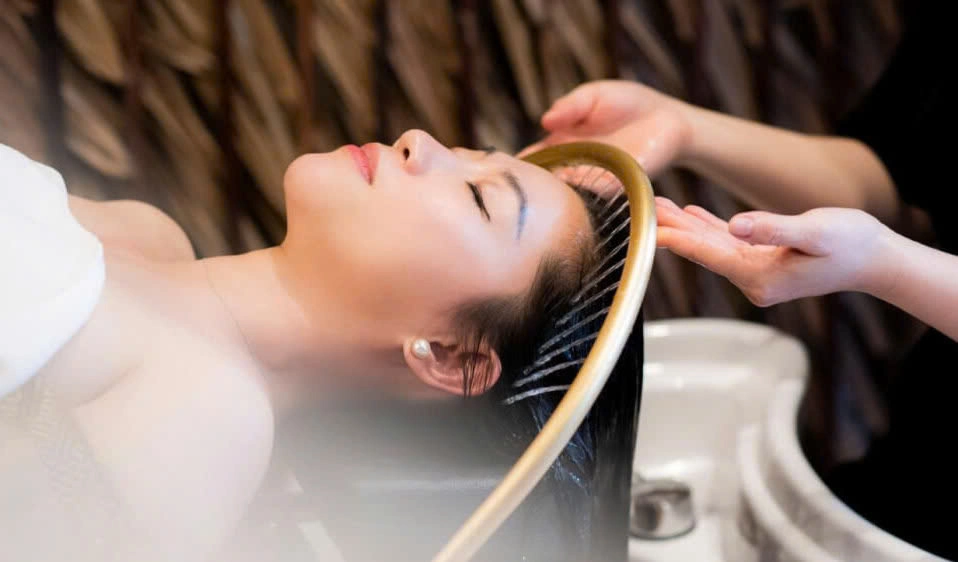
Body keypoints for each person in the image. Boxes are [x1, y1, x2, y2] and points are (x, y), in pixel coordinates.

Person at [0, 129, 640, 562]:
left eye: (479, 198)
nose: (421, 142)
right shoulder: (148, 233)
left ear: (450, 357)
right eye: (473, 151)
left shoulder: (211, 418)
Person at [526, 2, 956, 558]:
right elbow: (886, 174)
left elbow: (879, 238)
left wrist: (885, 265)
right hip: (917, 467)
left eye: (482, 201)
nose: (417, 142)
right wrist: (682, 125)